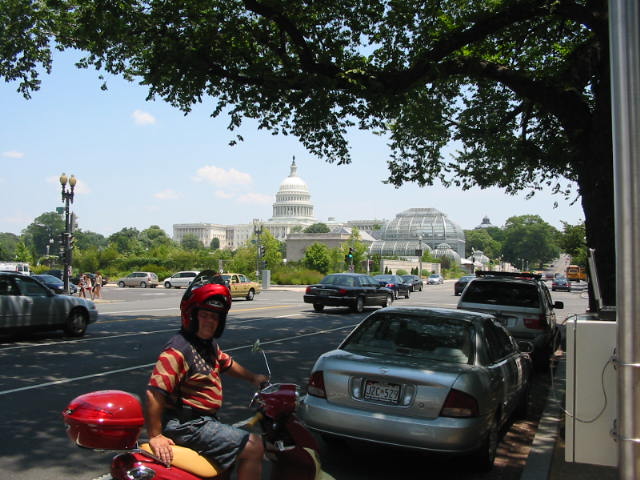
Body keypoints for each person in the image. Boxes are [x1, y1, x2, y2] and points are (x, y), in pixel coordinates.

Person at [145, 281, 267, 480]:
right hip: (186, 425)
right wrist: (155, 435)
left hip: (203, 421)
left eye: (215, 317)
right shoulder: (178, 349)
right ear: (191, 316)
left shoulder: (206, 345)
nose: (210, 321)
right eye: (204, 315)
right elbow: (154, 392)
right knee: (254, 446)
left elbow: (226, 363)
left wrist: (254, 378)